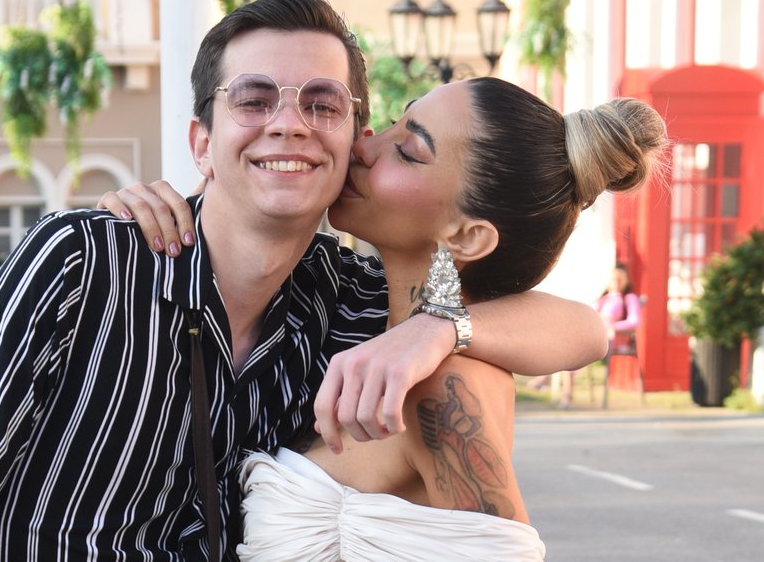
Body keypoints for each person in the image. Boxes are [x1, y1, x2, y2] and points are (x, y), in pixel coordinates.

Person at [0, 0, 607, 561]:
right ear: (202, 142)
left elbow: (584, 329)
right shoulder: (82, 265)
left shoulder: (355, 307)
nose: (289, 124)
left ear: (348, 138)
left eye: (322, 104)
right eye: (254, 99)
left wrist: (437, 329)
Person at [107, 79, 667, 560]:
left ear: (466, 236)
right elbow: (585, 329)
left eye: (409, 150)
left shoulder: (440, 386)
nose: (366, 144)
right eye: (396, 122)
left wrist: (438, 329)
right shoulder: (355, 309)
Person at [531, 263, 642, 408]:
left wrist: (611, 326)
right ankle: (564, 392)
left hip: (611, 339)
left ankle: (549, 380)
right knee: (568, 346)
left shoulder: (629, 298)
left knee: (571, 348)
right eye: (613, 279)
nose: (616, 282)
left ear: (627, 280)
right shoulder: (603, 299)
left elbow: (634, 322)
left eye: (620, 279)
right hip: (594, 335)